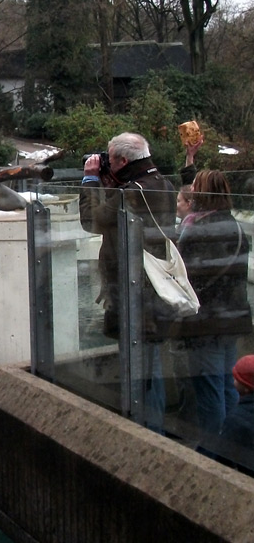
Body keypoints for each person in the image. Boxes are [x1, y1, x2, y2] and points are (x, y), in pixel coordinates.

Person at [80, 132, 177, 432]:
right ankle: (154, 430)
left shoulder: (132, 192)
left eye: (109, 158)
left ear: (123, 160)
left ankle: (146, 433)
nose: (105, 163)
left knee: (140, 371)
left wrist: (90, 181)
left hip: (132, 290)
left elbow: (91, 221)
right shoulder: (164, 184)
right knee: (152, 368)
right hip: (153, 288)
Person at [175, 169, 252, 438]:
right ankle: (233, 443)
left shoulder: (197, 231)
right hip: (232, 318)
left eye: (195, 187)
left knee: (209, 390)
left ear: (203, 194)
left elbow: (184, 278)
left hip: (205, 321)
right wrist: (190, 162)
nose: (191, 191)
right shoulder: (236, 227)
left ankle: (213, 448)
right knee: (227, 385)